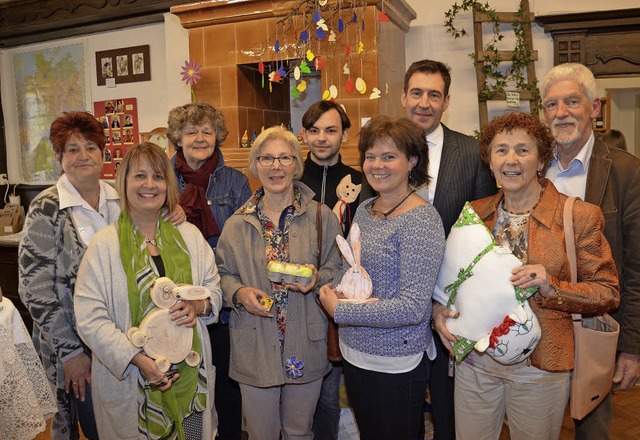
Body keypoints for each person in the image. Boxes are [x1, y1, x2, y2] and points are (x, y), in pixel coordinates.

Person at [433, 111, 620, 440]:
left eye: (523, 149)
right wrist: (439, 313)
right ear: (490, 162)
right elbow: (450, 283)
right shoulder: (474, 214)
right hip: (475, 364)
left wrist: (551, 286)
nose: (511, 160)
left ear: (541, 160)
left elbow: (607, 293)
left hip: (541, 366)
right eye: (500, 150)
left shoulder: (578, 216)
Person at [18, 112, 184, 440]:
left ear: (103, 154)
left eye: (90, 148)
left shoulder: (118, 199)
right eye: (72, 149)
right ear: (59, 158)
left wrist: (170, 212)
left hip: (120, 339)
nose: (83, 156)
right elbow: (34, 291)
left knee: (125, 423)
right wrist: (71, 353)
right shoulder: (46, 209)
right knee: (89, 427)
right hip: (75, 347)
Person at [74, 142, 222, 438]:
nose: (149, 185)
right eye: (139, 176)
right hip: (133, 380)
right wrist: (138, 360)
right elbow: (90, 318)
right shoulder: (104, 246)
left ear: (168, 185)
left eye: (157, 177)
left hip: (191, 382)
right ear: (123, 182)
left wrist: (199, 306)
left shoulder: (189, 236)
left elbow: (213, 289)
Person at [319, 116, 446, 440]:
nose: (377, 165)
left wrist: (340, 310)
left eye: (389, 156)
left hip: (396, 363)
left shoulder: (422, 219)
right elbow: (358, 274)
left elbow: (413, 308)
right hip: (355, 353)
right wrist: (330, 287)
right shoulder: (365, 208)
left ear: (412, 161)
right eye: (371, 156)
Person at [215, 126, 343, 440]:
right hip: (255, 342)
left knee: (300, 432)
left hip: (306, 339)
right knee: (262, 434)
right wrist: (240, 293)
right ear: (255, 166)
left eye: (285, 158)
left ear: (297, 165)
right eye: (267, 158)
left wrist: (317, 279)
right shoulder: (237, 223)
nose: (276, 166)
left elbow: (339, 269)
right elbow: (220, 275)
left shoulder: (321, 216)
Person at [540, 63, 640, 439]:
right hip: (537, 325)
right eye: (551, 105)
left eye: (571, 101)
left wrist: (631, 348)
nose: (561, 112)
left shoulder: (628, 173)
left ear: (594, 108)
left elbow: (636, 267)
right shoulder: (528, 167)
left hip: (596, 327)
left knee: (593, 430)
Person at [402, 59, 497, 439]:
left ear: (446, 101)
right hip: (397, 303)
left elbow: (484, 230)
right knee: (402, 404)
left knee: (449, 406)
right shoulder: (383, 147)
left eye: (434, 95)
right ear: (403, 96)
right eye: (417, 93)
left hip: (452, 301)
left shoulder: (472, 152)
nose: (424, 103)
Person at [167, 101, 252, 440]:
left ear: (218, 136)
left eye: (207, 131)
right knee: (181, 380)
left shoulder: (236, 181)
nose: (200, 137)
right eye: (191, 132)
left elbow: (246, 240)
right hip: (172, 300)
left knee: (227, 385)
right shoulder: (162, 179)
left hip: (222, 298)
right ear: (178, 138)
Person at [299, 100, 362, 440]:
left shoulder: (361, 181)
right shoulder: (290, 179)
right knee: (306, 393)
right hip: (299, 296)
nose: (322, 138)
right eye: (314, 130)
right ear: (304, 134)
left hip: (346, 299)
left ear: (345, 134)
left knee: (336, 392)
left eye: (331, 130)